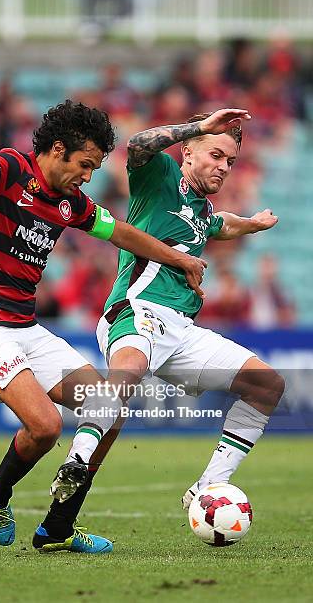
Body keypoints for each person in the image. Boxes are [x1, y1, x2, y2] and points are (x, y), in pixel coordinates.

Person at [0, 100, 206, 554]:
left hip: (24, 326)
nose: (88, 175)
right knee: (44, 426)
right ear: (57, 150)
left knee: (109, 410)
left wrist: (179, 258)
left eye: (95, 167)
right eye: (84, 164)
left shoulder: (70, 204)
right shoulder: (10, 169)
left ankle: (58, 527)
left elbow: (121, 232)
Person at [39, 108, 285, 548]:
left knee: (267, 385)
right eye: (215, 154)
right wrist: (198, 126)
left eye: (230, 161)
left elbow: (219, 224)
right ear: (188, 152)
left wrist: (251, 224)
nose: (223, 167)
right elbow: (136, 146)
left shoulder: (201, 210)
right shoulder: (161, 177)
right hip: (136, 311)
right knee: (127, 378)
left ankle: (208, 487)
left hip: (181, 331)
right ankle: (75, 461)